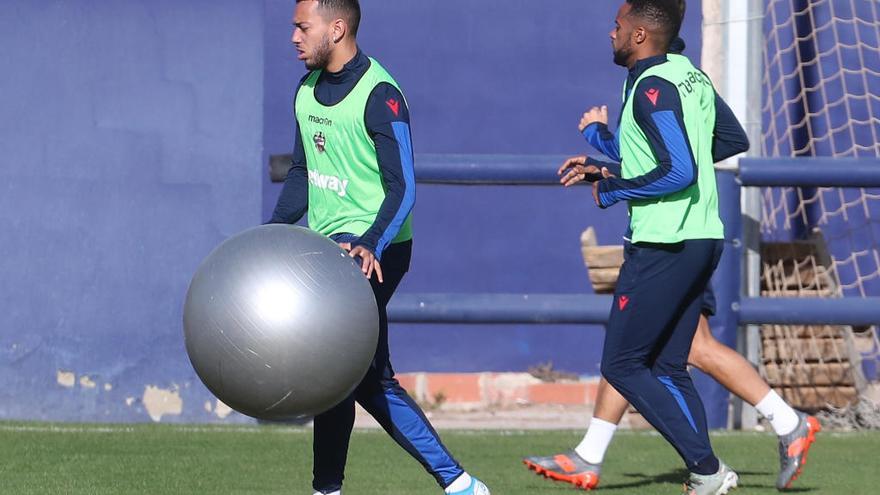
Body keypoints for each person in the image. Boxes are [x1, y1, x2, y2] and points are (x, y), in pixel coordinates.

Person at [523, 4, 820, 493]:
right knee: (669, 362)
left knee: (622, 364)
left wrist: (612, 189)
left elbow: (678, 169)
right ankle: (704, 468)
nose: (611, 32)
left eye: (617, 26)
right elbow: (724, 140)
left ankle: (707, 468)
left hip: (665, 241)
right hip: (700, 237)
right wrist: (608, 159)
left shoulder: (651, 87)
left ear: (640, 33)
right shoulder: (688, 77)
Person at [269, 1, 489, 494]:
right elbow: (303, 175)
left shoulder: (380, 94)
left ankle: (458, 485)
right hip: (330, 257)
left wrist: (370, 242)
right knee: (350, 375)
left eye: (303, 27)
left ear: (337, 27)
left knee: (344, 371)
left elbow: (403, 187)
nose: (294, 37)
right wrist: (269, 234)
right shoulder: (305, 91)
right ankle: (457, 486)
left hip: (378, 252)